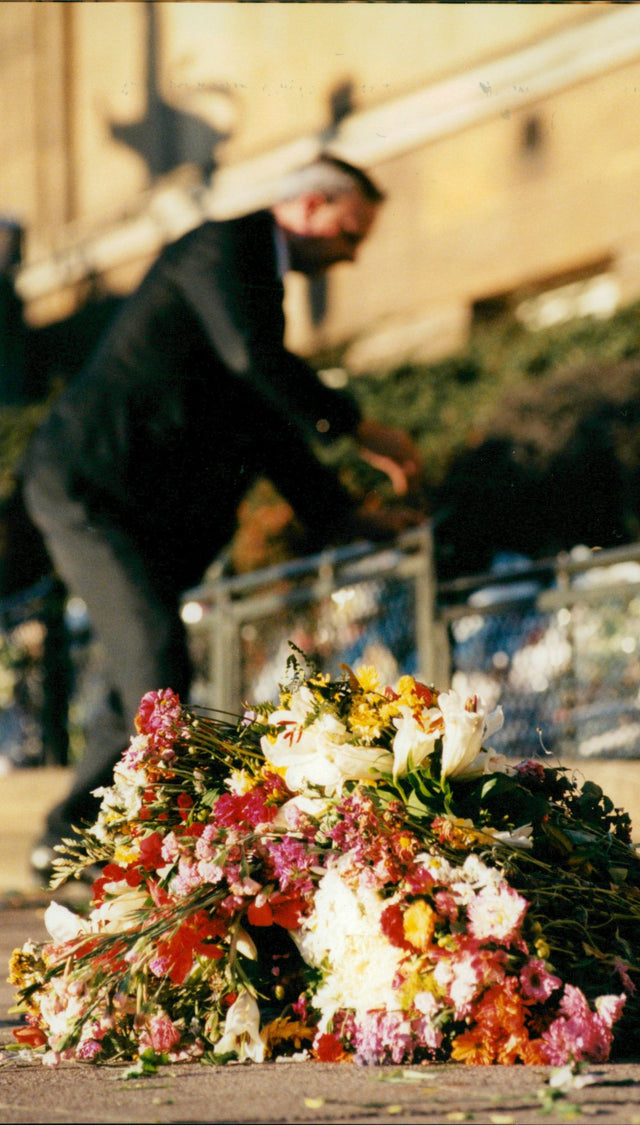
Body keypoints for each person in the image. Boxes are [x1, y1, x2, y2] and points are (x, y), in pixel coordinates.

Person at [21, 153, 423, 883]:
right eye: (348, 230)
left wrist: (347, 517)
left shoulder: (253, 289)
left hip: (134, 510)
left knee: (128, 677)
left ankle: (71, 840)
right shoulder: (222, 249)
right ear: (307, 205)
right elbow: (253, 361)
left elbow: (265, 426)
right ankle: (101, 838)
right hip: (87, 486)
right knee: (154, 655)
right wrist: (363, 430)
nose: (352, 253)